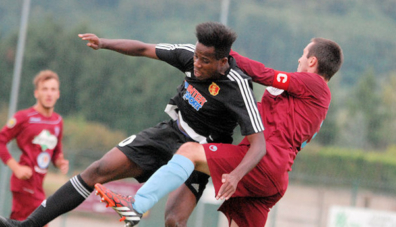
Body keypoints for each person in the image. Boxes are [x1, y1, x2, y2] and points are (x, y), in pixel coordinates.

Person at [0, 22, 265, 227]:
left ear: (223, 62)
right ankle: (27, 225)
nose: (196, 64)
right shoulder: (189, 56)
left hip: (200, 155)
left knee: (174, 220)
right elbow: (142, 48)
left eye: (204, 61)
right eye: (196, 56)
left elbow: (259, 145)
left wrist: (236, 174)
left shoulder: (239, 88)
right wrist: (104, 43)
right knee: (97, 170)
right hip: (170, 132)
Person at [93, 37, 344, 227]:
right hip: (273, 178)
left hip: (262, 164)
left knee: (189, 151)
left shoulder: (314, 84)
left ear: (312, 61)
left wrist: (219, 52)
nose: (299, 59)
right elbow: (254, 111)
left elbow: (262, 74)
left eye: (303, 55)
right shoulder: (306, 100)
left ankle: (137, 204)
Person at [0, 70, 69, 224]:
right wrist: (16, 167)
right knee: (41, 222)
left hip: (38, 185)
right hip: (24, 184)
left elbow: (56, 151)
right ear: (36, 93)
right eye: (44, 89)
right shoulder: (24, 117)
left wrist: (60, 162)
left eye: (53, 89)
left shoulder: (58, 121)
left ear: (58, 93)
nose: (49, 93)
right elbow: (1, 140)